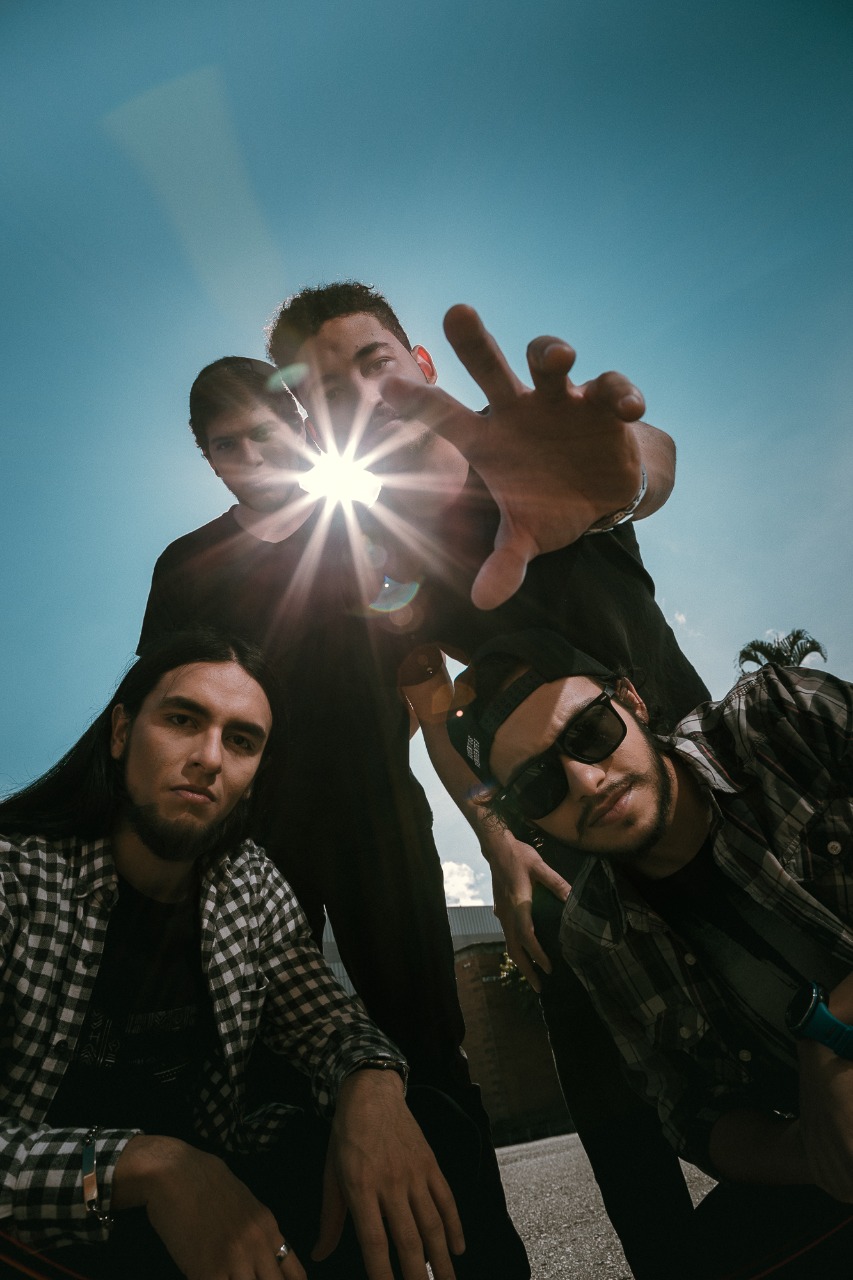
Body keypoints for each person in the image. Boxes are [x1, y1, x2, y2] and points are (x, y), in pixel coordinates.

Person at [265, 282, 710, 1277]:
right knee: (608, 1095)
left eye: (372, 361)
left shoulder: (527, 449)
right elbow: (433, 711)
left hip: (696, 787)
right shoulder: (382, 560)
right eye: (325, 390)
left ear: (421, 365)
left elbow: (643, 461)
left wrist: (625, 473)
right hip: (557, 833)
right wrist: (498, 839)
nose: (357, 393)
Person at [0, 629, 489, 1280]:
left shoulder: (247, 885)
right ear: (120, 733)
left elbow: (326, 1022)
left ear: (256, 775)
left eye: (241, 740)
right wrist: (148, 1167)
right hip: (42, 1230)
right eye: (182, 720)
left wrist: (370, 1084)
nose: (208, 758)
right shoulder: (15, 880)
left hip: (200, 1216)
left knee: (425, 1124)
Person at [448, 627, 853, 1278]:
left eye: (589, 733)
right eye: (538, 786)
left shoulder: (780, 718)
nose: (584, 781)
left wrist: (824, 1035)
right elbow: (695, 1113)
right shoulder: (594, 935)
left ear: (632, 700)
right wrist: (814, 1152)